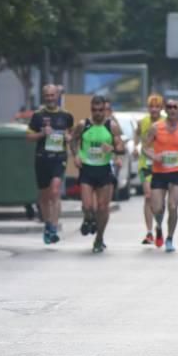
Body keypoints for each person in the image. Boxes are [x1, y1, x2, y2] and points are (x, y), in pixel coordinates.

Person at [70, 95, 125, 253]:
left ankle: (99, 238)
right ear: (91, 109)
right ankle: (88, 219)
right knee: (87, 206)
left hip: (104, 169)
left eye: (101, 110)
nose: (98, 113)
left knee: (102, 207)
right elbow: (73, 140)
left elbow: (121, 148)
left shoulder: (111, 126)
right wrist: (76, 155)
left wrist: (113, 150)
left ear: (105, 110)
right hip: (87, 169)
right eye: (95, 110)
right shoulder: (83, 125)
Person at [143, 99, 178, 253]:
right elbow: (144, 147)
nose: (172, 110)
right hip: (159, 172)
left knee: (172, 206)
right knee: (157, 208)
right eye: (169, 107)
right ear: (165, 110)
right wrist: (153, 156)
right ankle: (158, 226)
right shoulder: (156, 128)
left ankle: (170, 238)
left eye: (175, 107)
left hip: (177, 171)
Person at [27, 85, 74, 244]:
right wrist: (41, 134)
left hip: (59, 158)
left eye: (52, 95)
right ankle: (47, 223)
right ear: (43, 96)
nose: (50, 98)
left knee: (55, 191)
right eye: (47, 95)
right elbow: (28, 136)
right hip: (42, 158)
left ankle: (54, 227)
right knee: (44, 195)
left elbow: (72, 133)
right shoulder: (38, 115)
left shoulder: (66, 115)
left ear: (58, 95)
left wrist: (69, 137)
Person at [133, 95, 164, 244]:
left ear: (161, 108)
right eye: (151, 107)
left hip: (161, 164)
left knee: (159, 201)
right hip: (145, 163)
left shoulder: (165, 123)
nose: (154, 109)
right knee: (148, 196)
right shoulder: (143, 121)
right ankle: (149, 232)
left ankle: (159, 226)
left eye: (157, 107)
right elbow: (137, 133)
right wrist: (135, 146)